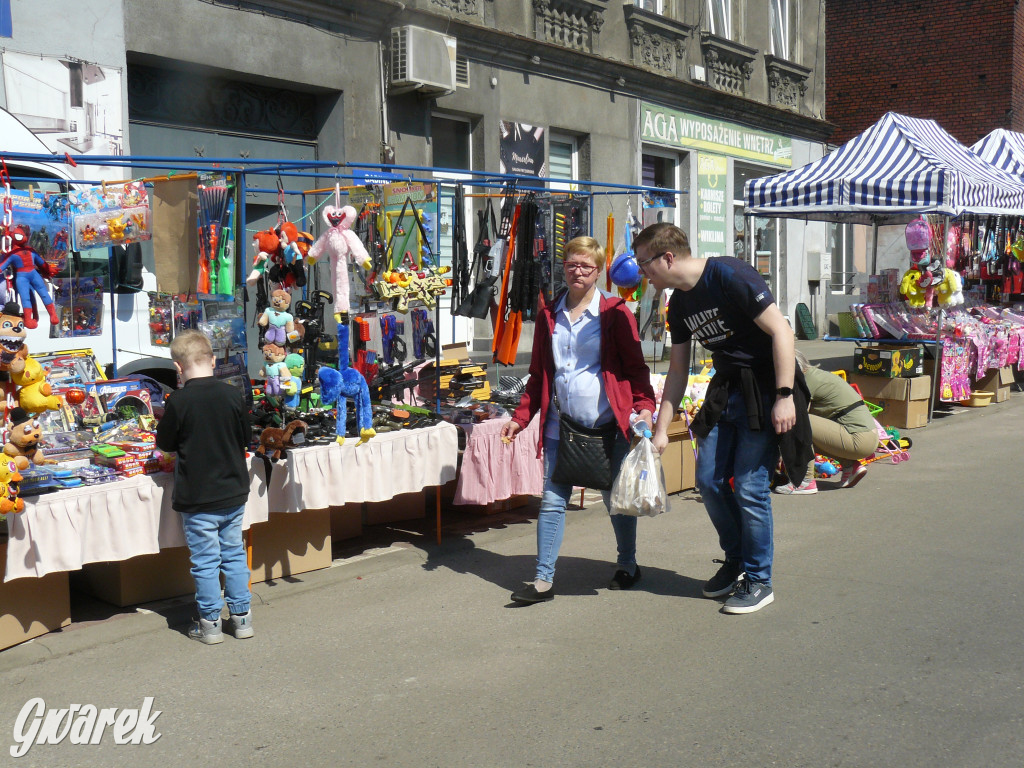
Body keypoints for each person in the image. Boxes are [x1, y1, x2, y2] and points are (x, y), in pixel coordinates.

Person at [635, 222, 810, 615]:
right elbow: (678, 371)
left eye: (644, 262)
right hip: (726, 390)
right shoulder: (678, 303)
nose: (641, 271)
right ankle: (736, 562)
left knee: (749, 485)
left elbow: (782, 332)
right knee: (709, 481)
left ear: (667, 257)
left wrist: (784, 397)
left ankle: (760, 580)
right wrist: (662, 430)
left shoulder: (730, 274)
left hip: (766, 388)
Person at [500, 236, 656, 605]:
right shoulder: (549, 314)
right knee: (553, 501)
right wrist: (521, 418)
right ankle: (542, 579)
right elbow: (538, 373)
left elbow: (635, 368)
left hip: (607, 425)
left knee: (614, 499)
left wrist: (645, 406)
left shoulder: (615, 312)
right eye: (572, 264)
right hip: (561, 425)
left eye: (586, 266)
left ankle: (628, 564)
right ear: (563, 267)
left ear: (599, 271)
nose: (578, 271)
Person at [155, 330, 254, 644]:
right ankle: (242, 619)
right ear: (213, 360)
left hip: (198, 496)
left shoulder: (179, 400)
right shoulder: (232, 394)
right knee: (234, 555)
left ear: (178, 368)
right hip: (233, 490)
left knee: (206, 561)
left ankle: (210, 623)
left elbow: (166, 443)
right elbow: (245, 438)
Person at [774, 350, 878, 494]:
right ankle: (850, 466)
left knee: (795, 419)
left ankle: (804, 481)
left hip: (858, 438)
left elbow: (797, 424)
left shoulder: (805, 382)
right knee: (807, 430)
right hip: (864, 436)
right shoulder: (815, 375)